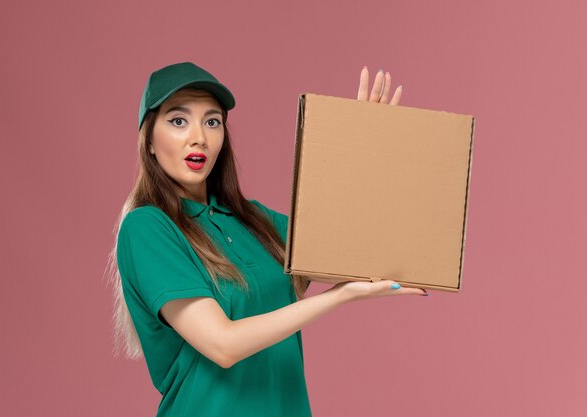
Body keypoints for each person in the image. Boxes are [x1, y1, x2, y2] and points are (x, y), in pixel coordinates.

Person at [106, 61, 428, 417]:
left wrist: (362, 152)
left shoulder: (255, 220)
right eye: (178, 120)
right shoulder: (147, 227)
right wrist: (340, 296)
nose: (199, 136)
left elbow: (358, 249)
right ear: (148, 140)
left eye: (212, 121)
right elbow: (222, 344)